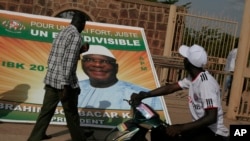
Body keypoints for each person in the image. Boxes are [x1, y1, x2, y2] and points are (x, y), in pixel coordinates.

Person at [131, 44, 229, 141]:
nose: (183, 60)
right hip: (201, 129)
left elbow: (211, 117)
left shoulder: (205, 83)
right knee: (160, 132)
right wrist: (145, 95)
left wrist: (180, 127)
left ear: (188, 62)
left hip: (213, 133)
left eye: (185, 58)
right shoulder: (193, 78)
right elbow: (171, 88)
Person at [28, 12, 89, 141]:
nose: (84, 27)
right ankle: (79, 138)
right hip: (64, 83)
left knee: (46, 111)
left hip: (51, 79)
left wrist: (80, 50)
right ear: (81, 23)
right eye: (84, 24)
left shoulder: (63, 32)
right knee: (71, 113)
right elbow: (68, 63)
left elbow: (58, 56)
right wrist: (65, 86)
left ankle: (36, 137)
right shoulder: (76, 36)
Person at [78, 45, 162, 110]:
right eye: (90, 60)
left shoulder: (142, 94)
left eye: (105, 61)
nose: (97, 65)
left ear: (116, 67)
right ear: (82, 64)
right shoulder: (72, 88)